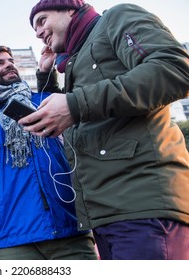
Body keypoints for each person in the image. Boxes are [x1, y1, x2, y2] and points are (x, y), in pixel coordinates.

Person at [21, 0, 189, 259]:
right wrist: (46, 77)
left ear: (69, 9)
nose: (38, 32)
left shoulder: (116, 18)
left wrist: (75, 104)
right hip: (105, 216)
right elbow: (81, 116)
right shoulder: (76, 61)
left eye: (42, 20)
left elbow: (174, 70)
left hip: (143, 207)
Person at [0, 45, 97, 260]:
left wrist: (45, 73)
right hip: (12, 240)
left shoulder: (43, 102)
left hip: (69, 232)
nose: (9, 64)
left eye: (10, 60)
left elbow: (77, 110)